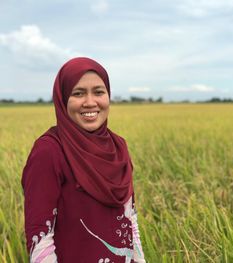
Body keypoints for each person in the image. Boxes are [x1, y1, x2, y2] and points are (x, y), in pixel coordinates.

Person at [22, 57, 146, 263]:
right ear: (62, 99)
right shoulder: (49, 150)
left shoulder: (118, 147)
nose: (90, 102)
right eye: (78, 93)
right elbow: (40, 238)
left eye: (98, 92)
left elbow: (130, 221)